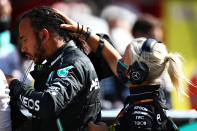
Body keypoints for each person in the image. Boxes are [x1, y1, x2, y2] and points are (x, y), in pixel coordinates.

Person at [56, 10, 192, 131]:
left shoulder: (141, 113)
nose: (119, 63)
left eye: (124, 61)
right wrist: (83, 32)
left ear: (136, 74)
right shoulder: (149, 97)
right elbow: (111, 58)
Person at [5, 6, 101, 131]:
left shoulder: (72, 63)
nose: (22, 48)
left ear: (44, 35)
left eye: (25, 40)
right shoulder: (56, 61)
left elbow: (48, 105)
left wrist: (13, 85)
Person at [132, 13, 172, 109]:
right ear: (139, 36)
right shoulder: (124, 60)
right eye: (154, 39)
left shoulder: (162, 60)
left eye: (160, 41)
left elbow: (168, 101)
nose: (157, 45)